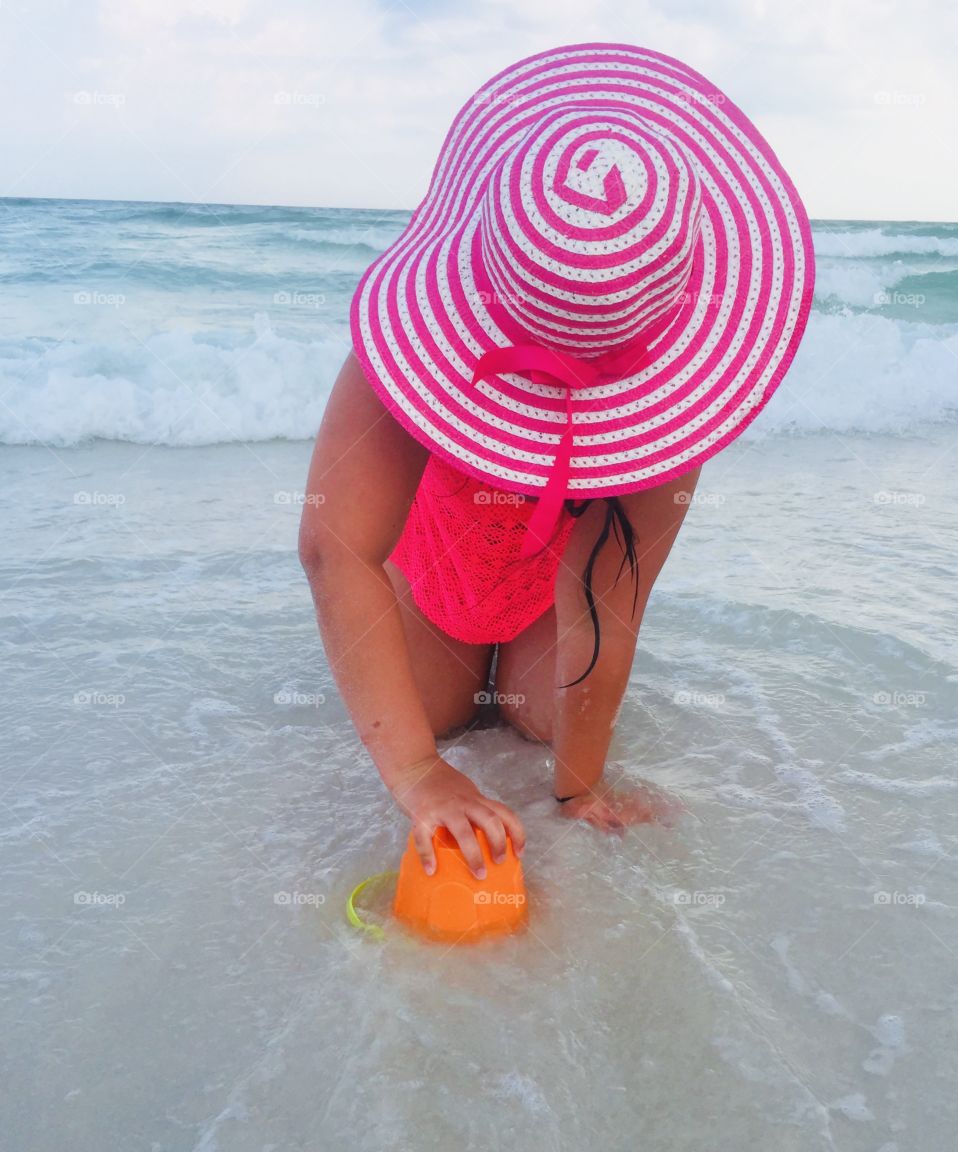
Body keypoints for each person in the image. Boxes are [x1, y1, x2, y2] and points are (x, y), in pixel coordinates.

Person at [299, 42, 814, 878]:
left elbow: (609, 601)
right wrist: (420, 774)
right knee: (436, 718)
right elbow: (333, 545)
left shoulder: (668, 416)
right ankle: (422, 658)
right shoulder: (407, 347)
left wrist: (578, 793)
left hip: (547, 587)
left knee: (545, 722)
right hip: (436, 569)